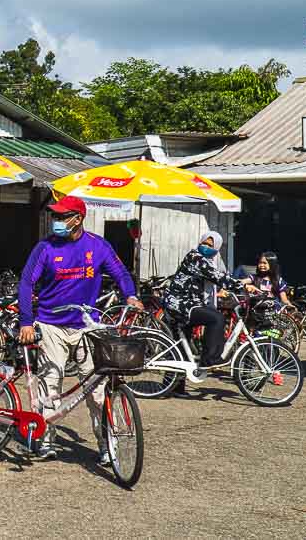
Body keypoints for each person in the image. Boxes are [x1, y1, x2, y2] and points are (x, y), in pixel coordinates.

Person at [18, 195, 142, 462]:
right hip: (51, 325)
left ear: (78, 219)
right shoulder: (45, 247)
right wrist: (27, 321)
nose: (57, 221)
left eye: (63, 217)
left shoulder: (98, 246)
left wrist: (130, 296)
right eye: (56, 216)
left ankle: (106, 445)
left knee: (97, 392)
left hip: (87, 326)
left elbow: (120, 273)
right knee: (50, 386)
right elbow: (27, 282)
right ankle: (46, 441)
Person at [160, 231, 243, 378]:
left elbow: (221, 275)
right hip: (180, 303)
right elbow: (216, 276)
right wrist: (242, 286)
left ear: (217, 248)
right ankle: (208, 359)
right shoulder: (195, 258)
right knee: (216, 318)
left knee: (181, 348)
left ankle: (174, 387)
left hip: (187, 303)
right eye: (204, 243)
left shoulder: (210, 262)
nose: (205, 246)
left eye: (210, 245)